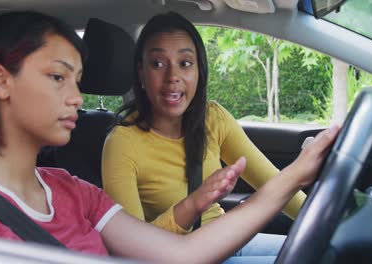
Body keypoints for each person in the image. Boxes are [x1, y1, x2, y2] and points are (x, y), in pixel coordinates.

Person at [0, 11, 338, 263]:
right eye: (57, 77)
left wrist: (296, 176)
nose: (76, 97)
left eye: (79, 80)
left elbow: (183, 255)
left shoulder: (75, 192)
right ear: (1, 81)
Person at [102, 12, 307, 263]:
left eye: (185, 63)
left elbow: (275, 184)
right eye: (157, 64)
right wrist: (190, 207)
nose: (172, 77)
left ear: (200, 70)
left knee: (325, 249)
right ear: (141, 74)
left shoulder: (213, 118)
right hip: (181, 258)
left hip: (225, 238)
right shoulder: (121, 144)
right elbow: (131, 253)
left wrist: (327, 223)